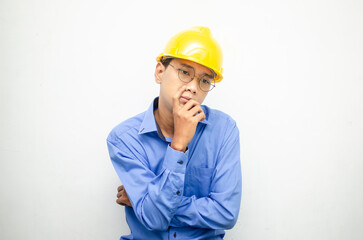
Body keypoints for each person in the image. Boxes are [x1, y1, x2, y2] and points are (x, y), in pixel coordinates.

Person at [107, 26, 242, 240]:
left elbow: (226, 213)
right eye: (185, 72)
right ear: (160, 72)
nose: (193, 87)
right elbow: (155, 220)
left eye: (205, 80)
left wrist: (148, 202)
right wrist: (179, 144)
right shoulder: (124, 138)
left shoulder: (224, 130)